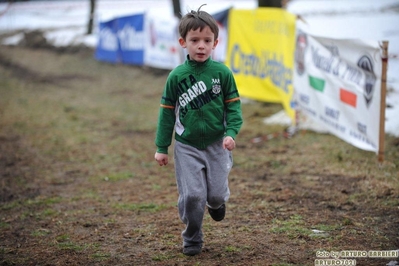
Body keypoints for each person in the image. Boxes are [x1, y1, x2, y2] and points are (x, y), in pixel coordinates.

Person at [154, 4, 243, 256]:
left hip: (217, 144)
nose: (201, 45)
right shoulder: (176, 76)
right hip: (187, 146)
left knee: (214, 195)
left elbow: (234, 109)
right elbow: (166, 114)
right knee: (193, 196)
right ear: (183, 42)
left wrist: (231, 133)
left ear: (216, 42)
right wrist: (162, 147)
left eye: (207, 40)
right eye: (195, 40)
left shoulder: (222, 73)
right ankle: (192, 237)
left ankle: (216, 204)